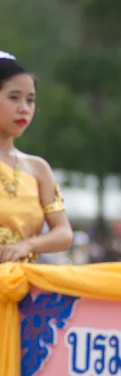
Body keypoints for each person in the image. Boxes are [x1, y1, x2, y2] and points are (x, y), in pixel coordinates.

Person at [0, 51, 73, 263]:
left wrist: (28, 245)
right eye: (14, 97)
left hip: (24, 285)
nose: (24, 109)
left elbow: (64, 232)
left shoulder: (37, 168)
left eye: (30, 100)